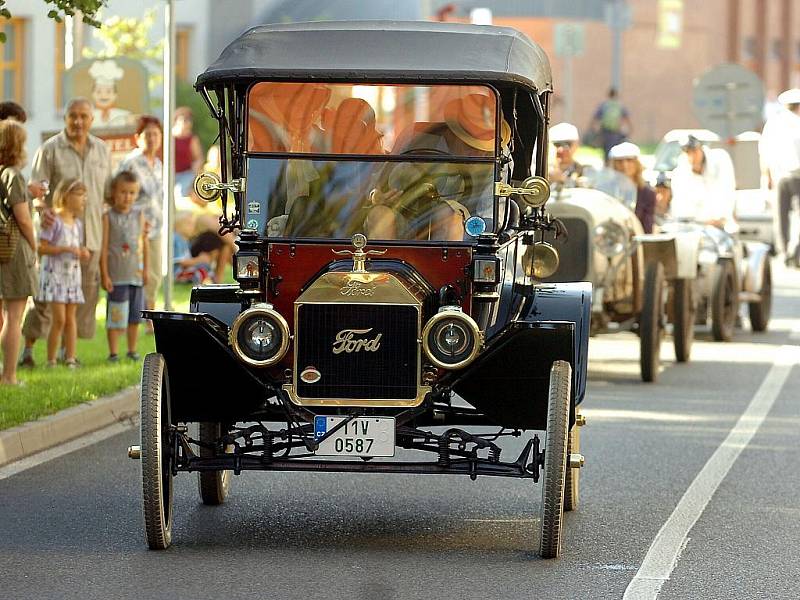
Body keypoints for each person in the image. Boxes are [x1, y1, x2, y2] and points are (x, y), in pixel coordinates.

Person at [19, 97, 111, 368]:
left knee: (82, 295)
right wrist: (41, 209)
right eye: (73, 116)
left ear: (92, 120)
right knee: (45, 299)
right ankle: (28, 348)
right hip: (57, 235)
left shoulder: (102, 150)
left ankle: (65, 352)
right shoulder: (50, 149)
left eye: (84, 116)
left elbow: (107, 193)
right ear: (66, 118)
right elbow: (37, 190)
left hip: (89, 235)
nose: (78, 122)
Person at [0, 120, 38, 386]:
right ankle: (9, 376)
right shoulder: (13, 174)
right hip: (14, 251)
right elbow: (23, 219)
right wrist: (34, 246)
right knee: (14, 318)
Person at [36, 179, 88, 368]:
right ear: (66, 195)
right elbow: (42, 248)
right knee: (59, 319)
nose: (84, 199)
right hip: (55, 277)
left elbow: (77, 246)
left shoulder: (78, 224)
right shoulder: (54, 220)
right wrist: (64, 249)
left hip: (72, 277)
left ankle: (70, 358)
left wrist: (82, 252)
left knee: (71, 319)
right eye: (80, 195)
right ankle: (50, 360)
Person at [118, 116, 164, 319]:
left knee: (153, 274)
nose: (152, 139)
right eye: (148, 134)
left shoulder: (159, 164)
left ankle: (149, 317)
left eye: (156, 134)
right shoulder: (130, 163)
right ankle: (133, 318)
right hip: (134, 229)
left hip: (156, 228)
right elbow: (118, 194)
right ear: (138, 138)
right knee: (135, 275)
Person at [100, 171, 147, 362]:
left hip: (135, 274)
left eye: (131, 192)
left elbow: (145, 244)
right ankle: (113, 352)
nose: (127, 197)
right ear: (114, 192)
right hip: (117, 275)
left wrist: (146, 269)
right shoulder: (108, 216)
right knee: (116, 316)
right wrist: (105, 274)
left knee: (135, 316)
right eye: (123, 192)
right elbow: (103, 248)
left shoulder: (139, 215)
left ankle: (132, 349)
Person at [759, 87, 800, 267]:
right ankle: (794, 251)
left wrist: (766, 174)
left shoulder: (774, 123)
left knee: (780, 216)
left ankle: (785, 253)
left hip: (779, 176)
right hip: (796, 176)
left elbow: (764, 151)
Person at [671, 134, 737, 230]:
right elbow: (680, 203)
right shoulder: (680, 172)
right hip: (694, 227)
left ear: (700, 148)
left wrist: (721, 217)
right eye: (688, 153)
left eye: (694, 151)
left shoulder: (720, 160)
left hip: (722, 224)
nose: (692, 157)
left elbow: (728, 190)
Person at [608, 142, 656, 233]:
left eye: (629, 160)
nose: (624, 165)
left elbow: (647, 228)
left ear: (637, 164)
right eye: (620, 161)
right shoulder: (606, 189)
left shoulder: (647, 193)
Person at [590, 88, 632, 161]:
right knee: (616, 151)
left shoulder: (604, 106)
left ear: (608, 95)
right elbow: (627, 118)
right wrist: (630, 129)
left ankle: (607, 166)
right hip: (616, 132)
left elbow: (595, 119)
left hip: (605, 132)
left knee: (606, 152)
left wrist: (594, 130)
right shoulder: (619, 106)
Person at [88, 59, 132, 128]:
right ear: (93, 94)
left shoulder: (125, 116)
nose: (103, 95)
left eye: (108, 92)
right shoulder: (87, 116)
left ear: (115, 95)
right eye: (98, 92)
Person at [173, 107, 204, 199]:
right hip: (170, 173)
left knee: (180, 192)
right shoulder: (169, 136)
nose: (187, 122)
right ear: (177, 120)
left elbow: (198, 158)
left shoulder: (192, 139)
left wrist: (196, 168)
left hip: (186, 173)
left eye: (189, 120)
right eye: (184, 119)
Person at [548, 122, 584, 186]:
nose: (561, 149)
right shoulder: (543, 170)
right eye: (557, 144)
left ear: (576, 145)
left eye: (567, 144)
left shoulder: (583, 171)